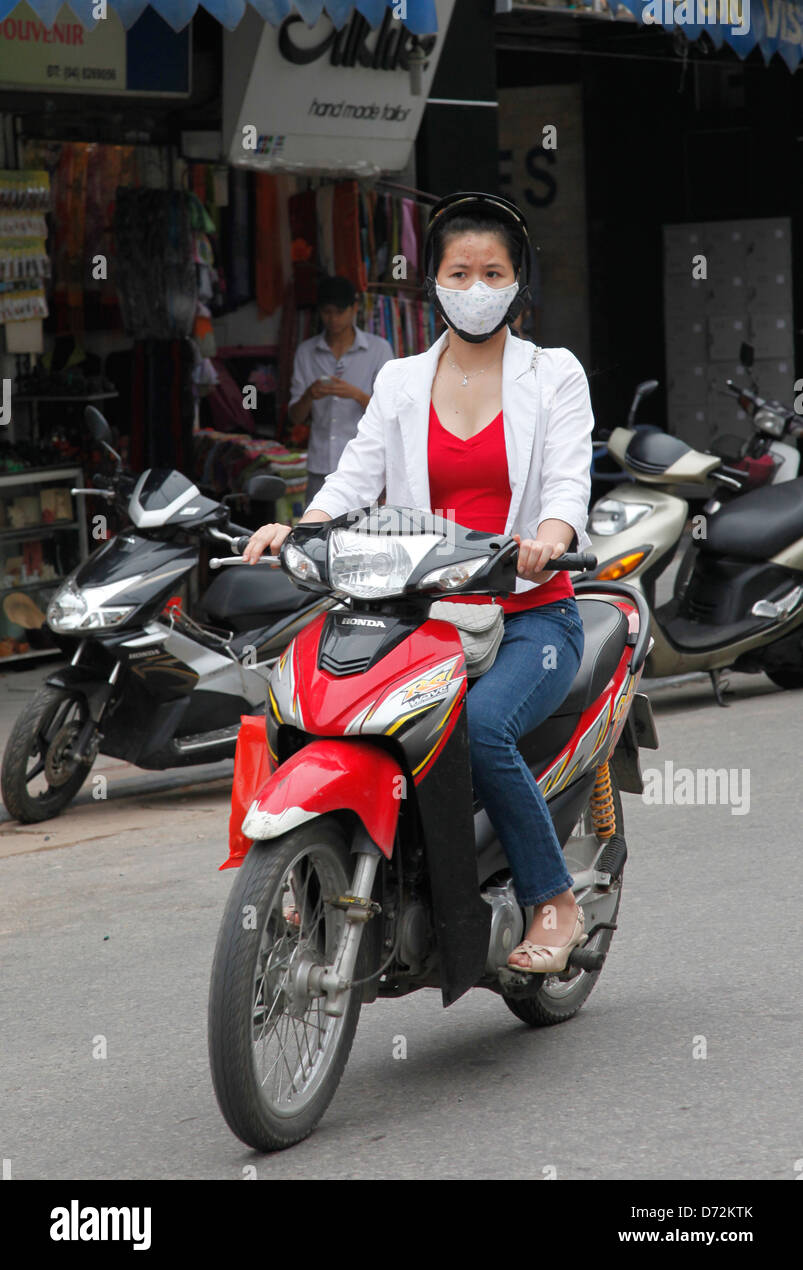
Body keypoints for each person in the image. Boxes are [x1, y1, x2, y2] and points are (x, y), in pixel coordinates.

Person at [244, 192, 594, 975]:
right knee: (307, 700)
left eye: (492, 271)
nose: (476, 286)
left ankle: (553, 897)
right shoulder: (401, 380)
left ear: (517, 280)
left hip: (530, 614)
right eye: (459, 271)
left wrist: (548, 538)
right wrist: (297, 527)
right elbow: (353, 476)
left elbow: (569, 481)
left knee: (479, 728)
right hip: (421, 612)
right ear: (431, 281)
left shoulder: (552, 374)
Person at [287, 275, 393, 509]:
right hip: (320, 463)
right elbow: (295, 417)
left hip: (366, 466)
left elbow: (392, 412)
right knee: (316, 535)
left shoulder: (378, 349)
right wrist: (309, 395)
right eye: (326, 312)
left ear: (354, 308)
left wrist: (355, 394)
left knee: (366, 535)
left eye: (339, 311)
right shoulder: (306, 352)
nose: (333, 318)